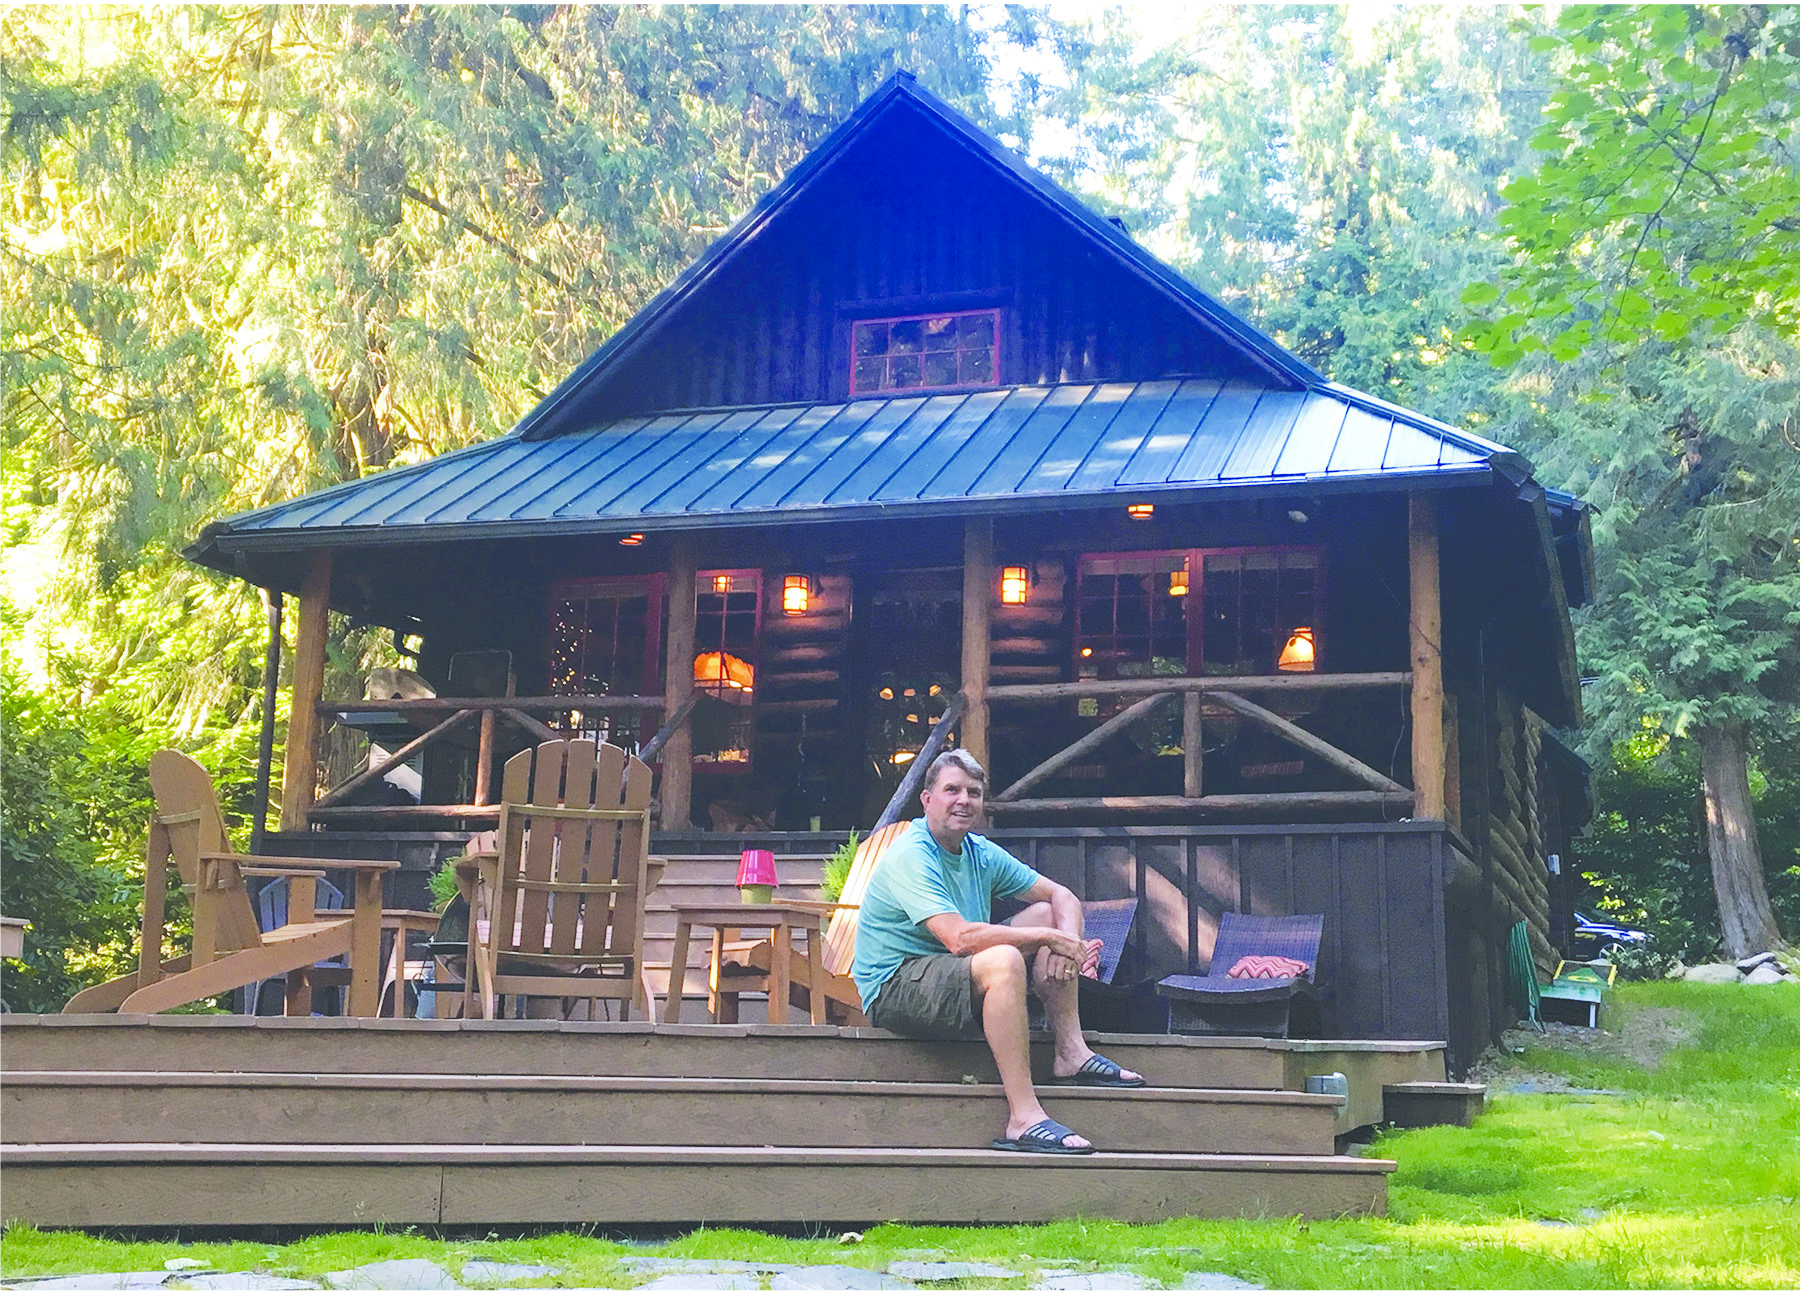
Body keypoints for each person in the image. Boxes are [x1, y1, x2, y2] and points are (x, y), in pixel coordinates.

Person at [850, 748, 1145, 1154]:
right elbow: (959, 939)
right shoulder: (911, 855)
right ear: (927, 798)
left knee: (1046, 913)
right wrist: (1048, 938)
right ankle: (1024, 1118)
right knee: (1006, 957)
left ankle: (1071, 1052)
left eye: (973, 792)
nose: (964, 801)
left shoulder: (977, 850)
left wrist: (1065, 941)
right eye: (952, 790)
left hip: (949, 972)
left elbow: (1063, 895)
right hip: (897, 985)